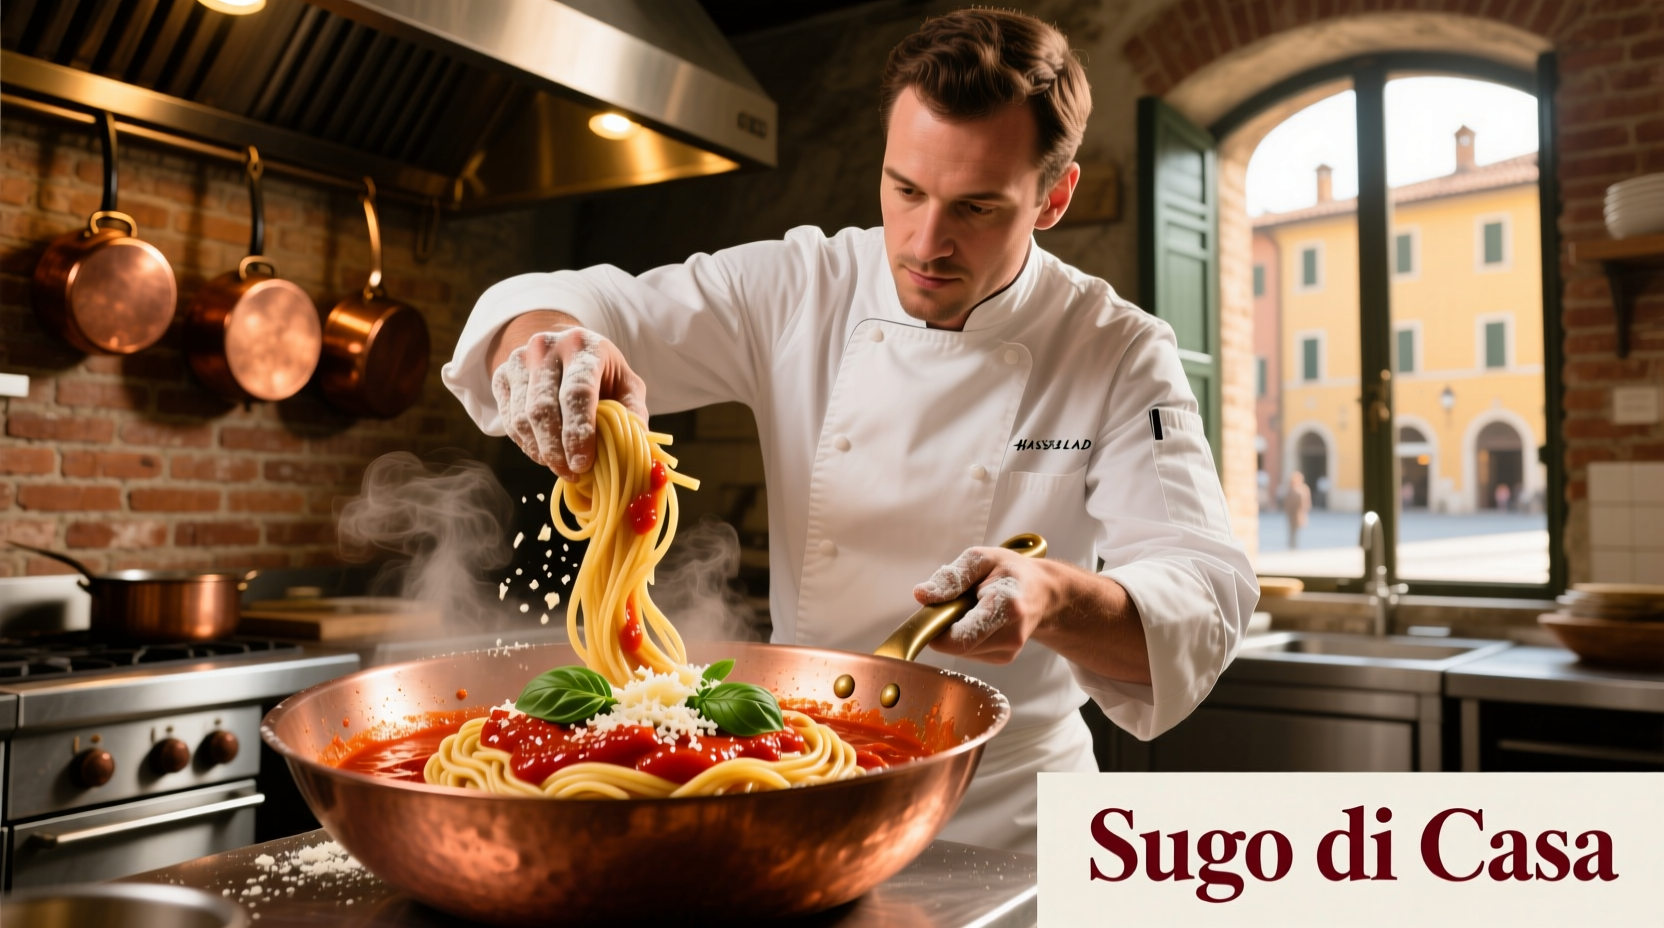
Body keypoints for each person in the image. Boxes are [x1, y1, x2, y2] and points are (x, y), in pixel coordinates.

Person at [443, 9, 1256, 853]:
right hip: (804, 785)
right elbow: (588, 302)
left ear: (1054, 197)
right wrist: (551, 344)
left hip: (1013, 820)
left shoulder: (1116, 349)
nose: (924, 243)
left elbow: (1201, 589)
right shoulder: (804, 284)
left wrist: (1052, 595)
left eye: (976, 207)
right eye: (905, 189)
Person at [1284, 472, 1312, 550]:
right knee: (1291, 528)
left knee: (1296, 528)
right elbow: (1287, 501)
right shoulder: (1291, 489)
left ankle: (1294, 545)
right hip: (1291, 512)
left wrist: (1304, 511)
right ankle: (1292, 544)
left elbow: (1306, 502)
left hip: (1298, 512)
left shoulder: (1303, 489)